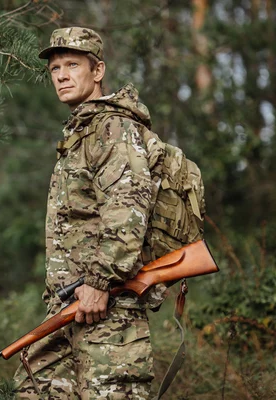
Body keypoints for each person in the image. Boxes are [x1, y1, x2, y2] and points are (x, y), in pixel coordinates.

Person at [14, 27, 167, 399]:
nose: (62, 75)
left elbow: (128, 209)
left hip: (108, 308)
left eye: (72, 65)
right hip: (69, 306)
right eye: (54, 68)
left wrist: (99, 282)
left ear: (97, 71)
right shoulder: (80, 133)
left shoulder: (113, 128)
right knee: (34, 386)